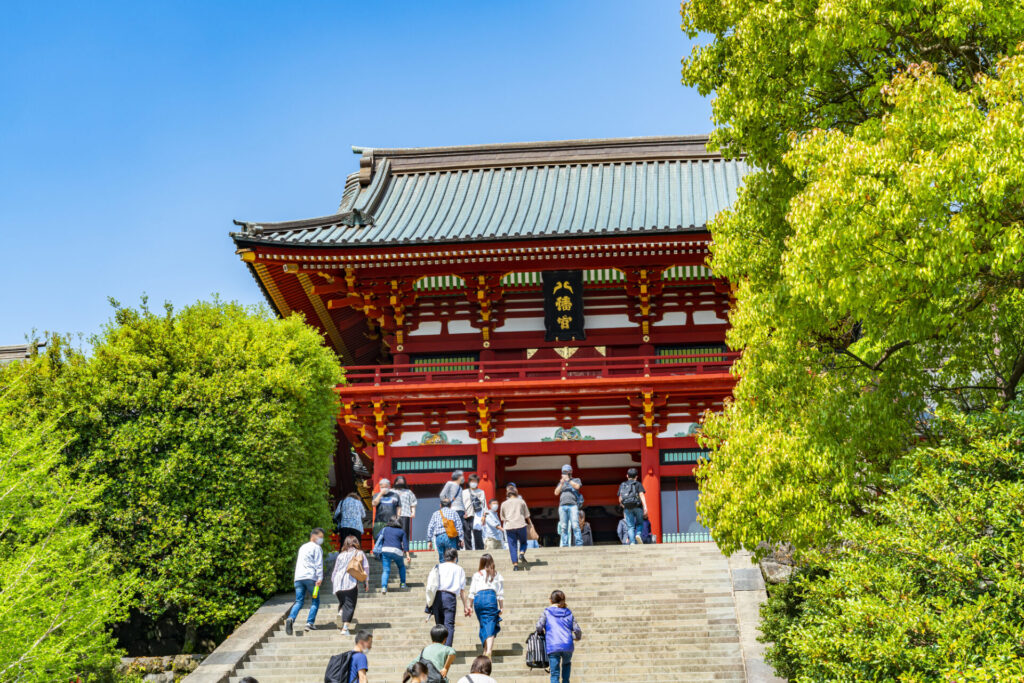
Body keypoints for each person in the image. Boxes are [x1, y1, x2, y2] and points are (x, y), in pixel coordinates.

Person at [535, 590, 583, 683]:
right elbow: (577, 629)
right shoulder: (568, 612)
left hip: (553, 645)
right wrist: (577, 637)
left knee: (555, 674)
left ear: (551, 601)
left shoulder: (547, 612)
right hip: (567, 645)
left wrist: (541, 632)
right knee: (566, 665)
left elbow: (538, 626)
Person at [427, 547, 471, 647]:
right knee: (449, 625)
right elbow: (462, 591)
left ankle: (439, 648)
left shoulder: (437, 567)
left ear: (444, 557)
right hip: (450, 598)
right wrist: (465, 606)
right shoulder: (459, 569)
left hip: (437, 597)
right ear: (455, 558)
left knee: (439, 626)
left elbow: (430, 585)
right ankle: (447, 649)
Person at [285, 528, 324, 635]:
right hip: (311, 578)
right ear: (314, 536)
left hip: (298, 578)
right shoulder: (317, 547)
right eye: (320, 537)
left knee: (299, 601)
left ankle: (290, 618)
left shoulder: (302, 547)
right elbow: (318, 564)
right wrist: (320, 578)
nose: (321, 539)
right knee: (315, 600)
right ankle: (310, 622)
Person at [331, 534, 370, 636]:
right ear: (356, 542)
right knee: (350, 605)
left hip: (337, 583)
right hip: (350, 582)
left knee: (344, 602)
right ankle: (345, 628)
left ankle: (341, 612)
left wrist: (333, 582)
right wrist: (366, 581)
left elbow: (335, 570)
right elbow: (365, 567)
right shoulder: (359, 553)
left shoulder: (340, 555)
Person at [469, 553, 504, 657]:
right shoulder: (497, 575)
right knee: (490, 624)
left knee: (484, 623)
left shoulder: (477, 574)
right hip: (490, 598)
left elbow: (472, 592)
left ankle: (485, 649)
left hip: (478, 599)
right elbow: (500, 594)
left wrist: (469, 606)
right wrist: (501, 606)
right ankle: (489, 650)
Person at [500, 483, 531, 569]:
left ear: (508, 494)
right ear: (516, 493)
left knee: (512, 546)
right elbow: (527, 515)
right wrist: (531, 525)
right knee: (523, 542)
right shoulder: (521, 502)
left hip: (509, 526)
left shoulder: (504, 504)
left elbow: (503, 518)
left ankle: (515, 565)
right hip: (521, 524)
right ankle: (521, 553)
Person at [374, 517, 408, 594]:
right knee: (401, 566)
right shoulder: (402, 531)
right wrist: (408, 555)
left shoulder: (385, 529)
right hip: (397, 551)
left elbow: (377, 537)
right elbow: (405, 544)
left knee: (386, 570)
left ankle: (384, 587)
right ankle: (403, 584)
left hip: (385, 550)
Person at [426, 497, 465, 562]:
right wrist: (461, 538)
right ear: (450, 505)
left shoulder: (435, 514)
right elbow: (459, 526)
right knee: (452, 558)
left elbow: (430, 527)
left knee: (442, 559)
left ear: (440, 505)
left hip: (439, 538)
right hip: (450, 538)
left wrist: (429, 540)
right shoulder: (454, 513)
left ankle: (443, 571)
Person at [553, 465, 583, 547]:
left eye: (567, 471)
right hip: (562, 506)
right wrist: (562, 483)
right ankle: (565, 544)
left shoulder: (576, 480)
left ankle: (579, 543)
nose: (565, 473)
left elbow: (577, 486)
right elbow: (556, 493)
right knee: (563, 527)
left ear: (571, 471)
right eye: (564, 472)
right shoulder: (561, 482)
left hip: (573, 505)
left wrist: (568, 480)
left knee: (575, 525)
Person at [617, 467, 648, 545]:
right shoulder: (638, 484)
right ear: (636, 477)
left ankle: (632, 542)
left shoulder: (622, 485)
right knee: (640, 523)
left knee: (630, 526)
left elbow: (620, 498)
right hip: (638, 507)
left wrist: (624, 506)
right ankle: (638, 534)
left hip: (627, 507)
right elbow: (641, 495)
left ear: (627, 476)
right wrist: (645, 507)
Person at [440, 470, 468, 548]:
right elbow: (442, 495)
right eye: (462, 476)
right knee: (452, 528)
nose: (463, 477)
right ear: (458, 476)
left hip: (461, 510)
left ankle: (458, 546)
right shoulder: (449, 483)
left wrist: (465, 510)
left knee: (460, 528)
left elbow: (461, 500)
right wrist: (446, 504)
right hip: (452, 509)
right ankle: (452, 546)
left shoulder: (460, 487)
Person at [461, 474, 487, 550]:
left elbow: (484, 504)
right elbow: (461, 504)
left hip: (477, 516)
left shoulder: (481, 492)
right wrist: (462, 513)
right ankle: (468, 550)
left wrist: (484, 516)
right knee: (467, 534)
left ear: (478, 482)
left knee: (477, 533)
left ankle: (479, 549)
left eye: (475, 481)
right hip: (466, 515)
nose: (473, 483)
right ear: (469, 482)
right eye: (472, 481)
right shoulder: (464, 492)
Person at [393, 475, 418, 548]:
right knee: (395, 531)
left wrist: (413, 512)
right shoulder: (392, 491)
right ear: (395, 482)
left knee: (404, 531)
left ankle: (405, 547)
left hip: (405, 513)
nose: (400, 482)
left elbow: (413, 502)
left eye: (402, 481)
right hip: (394, 515)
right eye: (398, 481)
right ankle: (396, 546)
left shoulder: (408, 492)